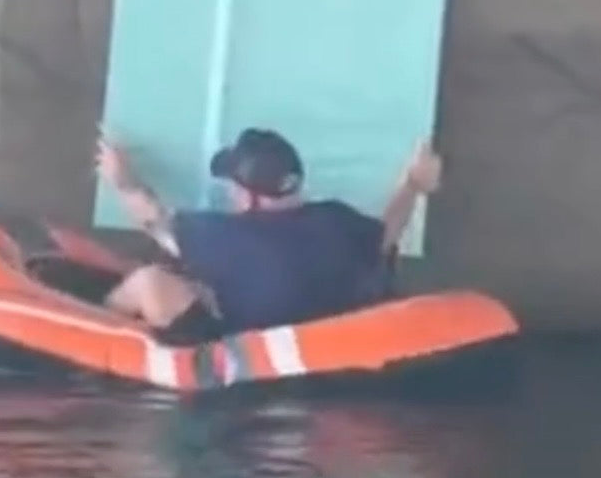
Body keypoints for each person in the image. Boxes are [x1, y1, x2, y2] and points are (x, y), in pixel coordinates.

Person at [94, 126, 443, 343]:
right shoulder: (338, 222)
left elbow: (152, 219)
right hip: (326, 351)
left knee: (149, 282)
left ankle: (98, 323)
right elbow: (388, 232)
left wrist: (123, 181)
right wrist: (413, 184)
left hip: (243, 362)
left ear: (250, 197)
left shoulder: (220, 237)